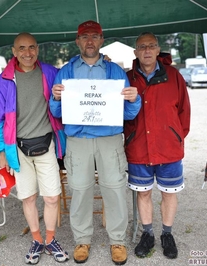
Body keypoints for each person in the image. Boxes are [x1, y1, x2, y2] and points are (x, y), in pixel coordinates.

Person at [49, 20, 141, 265]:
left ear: (102, 40)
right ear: (78, 41)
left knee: (114, 190)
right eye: (85, 37)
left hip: (109, 139)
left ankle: (118, 240)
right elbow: (56, 112)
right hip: (78, 140)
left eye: (95, 36)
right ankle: (82, 240)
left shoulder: (115, 72)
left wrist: (133, 99)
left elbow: (129, 114)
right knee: (79, 190)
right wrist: (56, 98)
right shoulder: (66, 72)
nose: (90, 41)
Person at [0, 32, 69, 265]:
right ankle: (36, 239)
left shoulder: (50, 73)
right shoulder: (3, 81)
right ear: (14, 51)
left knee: (52, 197)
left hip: (46, 144)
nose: (27, 53)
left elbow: (73, 85)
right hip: (18, 149)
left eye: (31, 47)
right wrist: (1, 151)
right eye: (22, 48)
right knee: (29, 197)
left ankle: (50, 239)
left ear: (37, 49)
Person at [123, 32, 191, 260]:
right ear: (135, 52)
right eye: (142, 46)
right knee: (143, 194)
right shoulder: (128, 78)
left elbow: (184, 111)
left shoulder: (173, 75)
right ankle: (148, 233)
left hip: (168, 148)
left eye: (151, 46)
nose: (147, 50)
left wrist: (176, 137)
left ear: (158, 48)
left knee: (169, 194)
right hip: (139, 148)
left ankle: (167, 234)